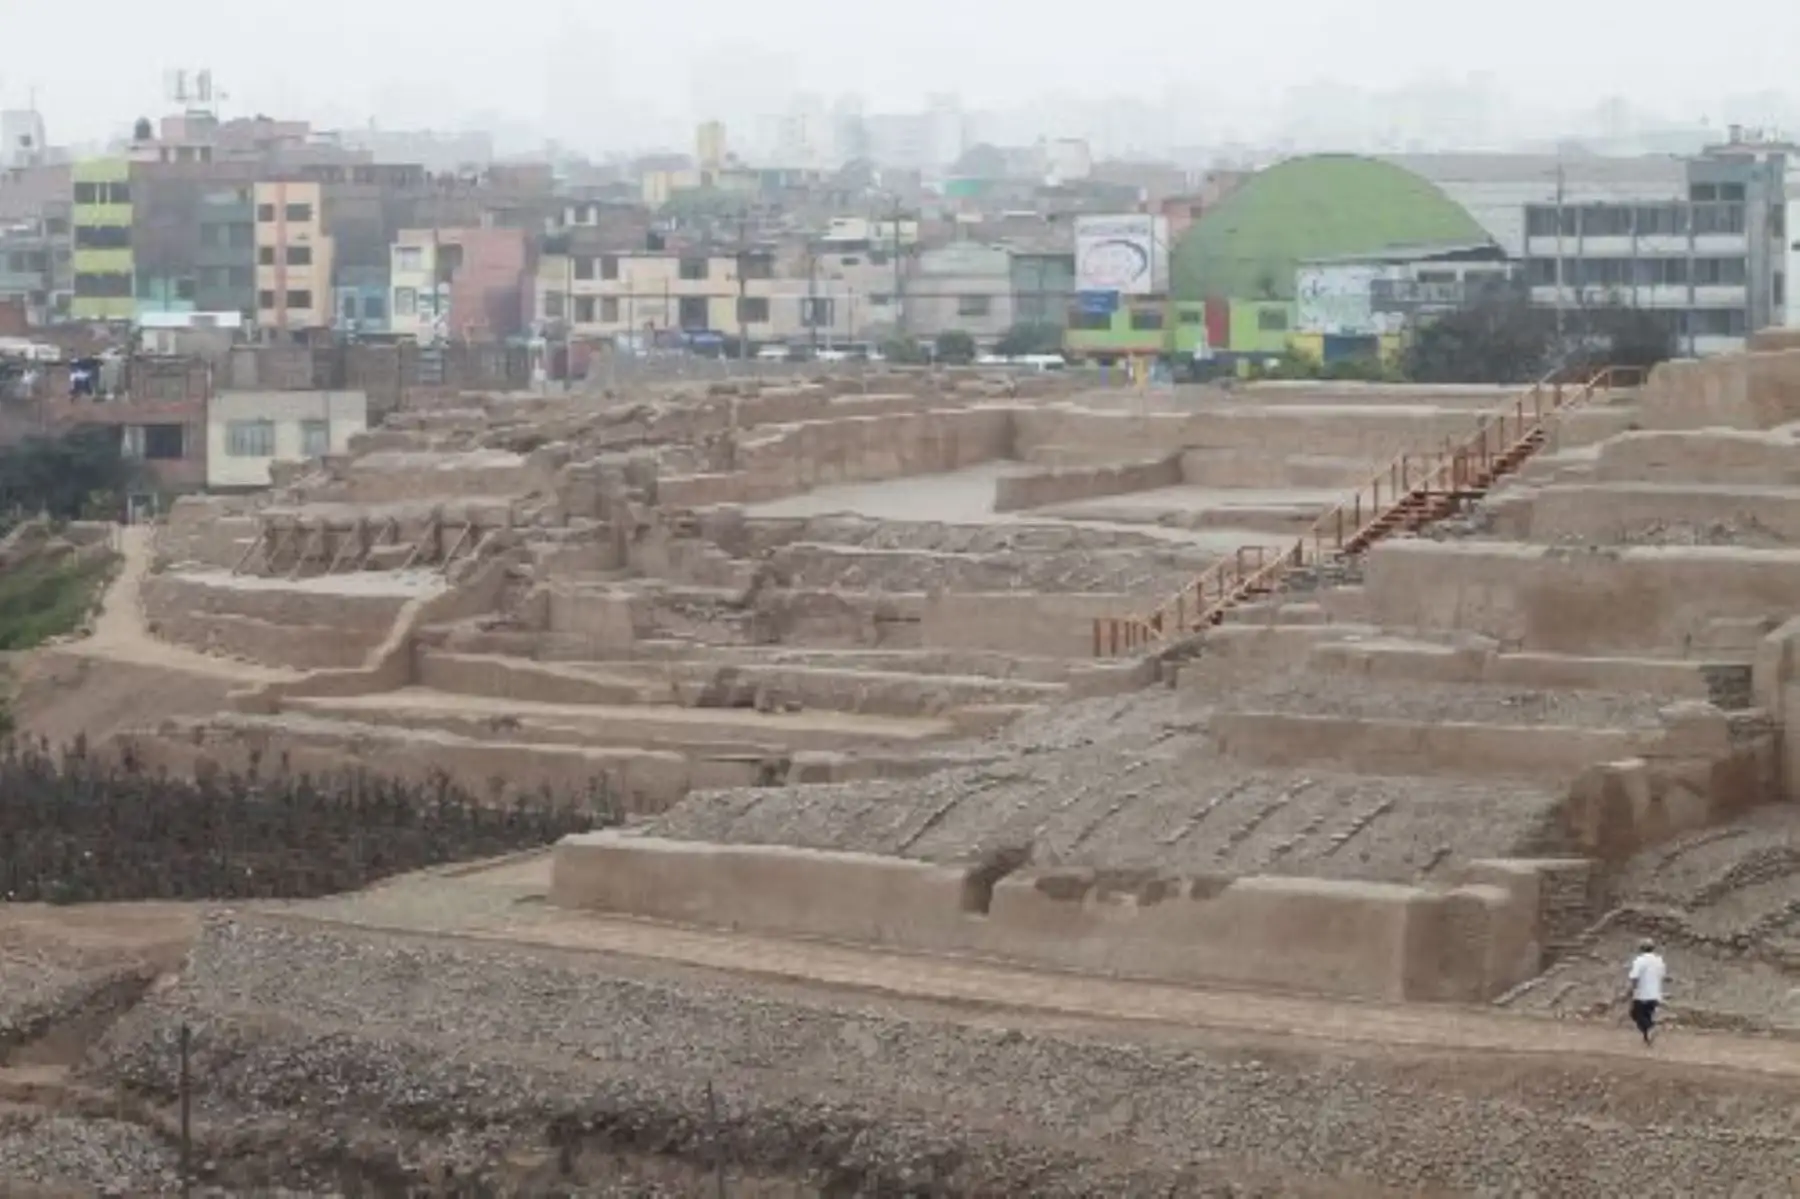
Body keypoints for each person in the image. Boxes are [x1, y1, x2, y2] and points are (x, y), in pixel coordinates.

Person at [1624, 937, 1667, 1045]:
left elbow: (1634, 978)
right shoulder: (1659, 960)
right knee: (1647, 1015)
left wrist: (1629, 991)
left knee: (1636, 1014)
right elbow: (1662, 975)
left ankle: (1651, 1028)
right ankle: (1648, 1038)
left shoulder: (1640, 960)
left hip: (1642, 994)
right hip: (1655, 994)